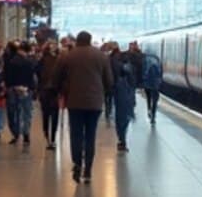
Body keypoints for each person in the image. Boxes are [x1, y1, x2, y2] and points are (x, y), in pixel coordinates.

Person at [57, 31, 111, 183]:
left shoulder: (67, 56)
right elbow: (109, 81)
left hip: (74, 102)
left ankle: (77, 164)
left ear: (78, 41)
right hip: (95, 103)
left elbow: (56, 77)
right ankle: (88, 170)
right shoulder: (101, 56)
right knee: (90, 135)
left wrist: (61, 90)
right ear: (90, 40)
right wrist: (101, 92)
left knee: (76, 134)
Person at [2, 41, 38, 148]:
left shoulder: (10, 61)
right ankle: (26, 133)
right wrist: (31, 88)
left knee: (14, 112)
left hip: (13, 89)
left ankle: (15, 133)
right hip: (26, 89)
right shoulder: (30, 62)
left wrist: (9, 86)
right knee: (26, 112)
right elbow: (33, 77)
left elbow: (7, 76)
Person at [111, 45, 139, 151]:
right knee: (124, 117)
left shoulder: (114, 61)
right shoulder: (130, 62)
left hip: (119, 94)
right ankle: (122, 139)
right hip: (127, 93)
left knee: (120, 117)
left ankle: (121, 139)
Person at [37, 38, 64, 151]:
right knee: (47, 115)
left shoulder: (59, 59)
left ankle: (51, 138)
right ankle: (48, 137)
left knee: (53, 115)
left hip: (53, 91)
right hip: (46, 91)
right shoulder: (44, 59)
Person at [142, 50, 165, 121]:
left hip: (147, 83)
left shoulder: (144, 59)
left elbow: (142, 71)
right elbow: (161, 72)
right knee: (155, 100)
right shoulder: (157, 60)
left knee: (148, 98)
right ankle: (153, 114)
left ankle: (149, 109)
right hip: (155, 84)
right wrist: (159, 81)